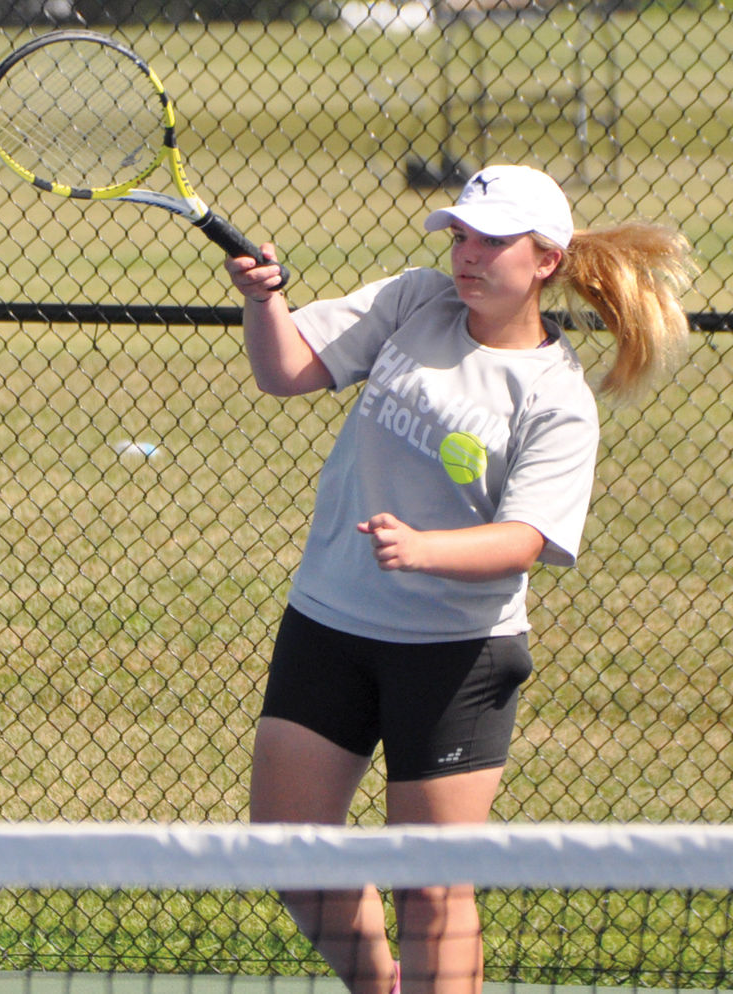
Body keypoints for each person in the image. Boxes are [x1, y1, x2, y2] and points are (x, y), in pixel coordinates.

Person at [222, 164, 694, 994]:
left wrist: (424, 549)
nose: (467, 256)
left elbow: (529, 538)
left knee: (432, 888)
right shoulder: (415, 302)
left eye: (492, 241)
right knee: (289, 851)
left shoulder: (556, 397)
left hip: (456, 656)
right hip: (328, 625)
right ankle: (379, 986)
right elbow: (286, 370)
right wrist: (265, 302)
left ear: (545, 260)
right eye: (461, 236)